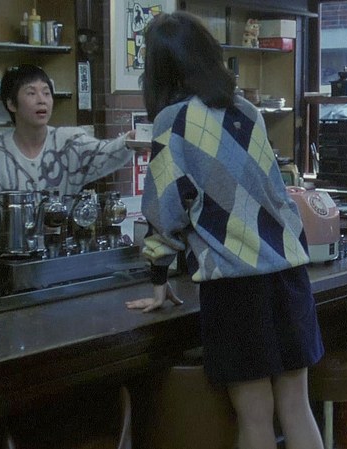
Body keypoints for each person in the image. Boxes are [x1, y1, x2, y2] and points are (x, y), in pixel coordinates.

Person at [124, 11, 325, 449]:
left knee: (254, 417)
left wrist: (158, 278)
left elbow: (164, 209)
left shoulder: (173, 121)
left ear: (160, 69)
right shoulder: (246, 110)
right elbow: (273, 190)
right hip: (289, 273)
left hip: (236, 284)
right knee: (297, 407)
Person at [0, 64, 138, 282]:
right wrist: (30, 229)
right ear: (11, 104)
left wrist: (128, 142)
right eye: (31, 93)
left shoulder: (68, 141)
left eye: (46, 93)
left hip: (52, 261)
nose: (42, 100)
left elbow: (104, 153)